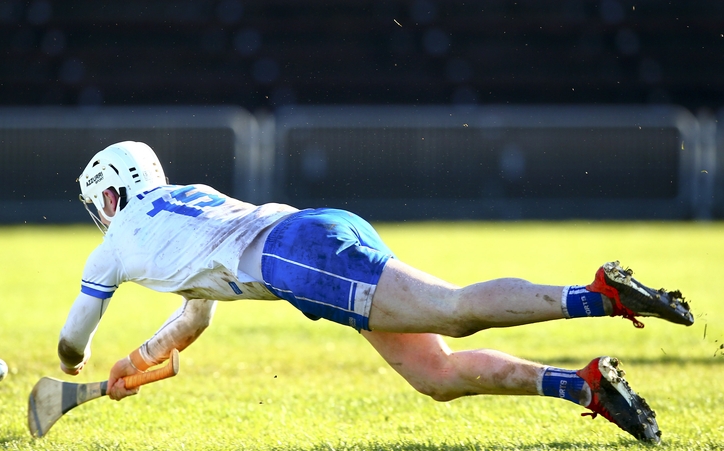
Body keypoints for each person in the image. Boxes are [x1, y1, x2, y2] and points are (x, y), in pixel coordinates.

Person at [58, 141, 694, 444]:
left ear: (111, 194)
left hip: (300, 257)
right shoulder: (182, 205)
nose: (102, 216)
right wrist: (138, 361)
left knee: (454, 313)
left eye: (99, 204)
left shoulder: (113, 246)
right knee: (434, 375)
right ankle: (582, 385)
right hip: (311, 235)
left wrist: (75, 365)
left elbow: (71, 336)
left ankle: (601, 295)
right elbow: (197, 315)